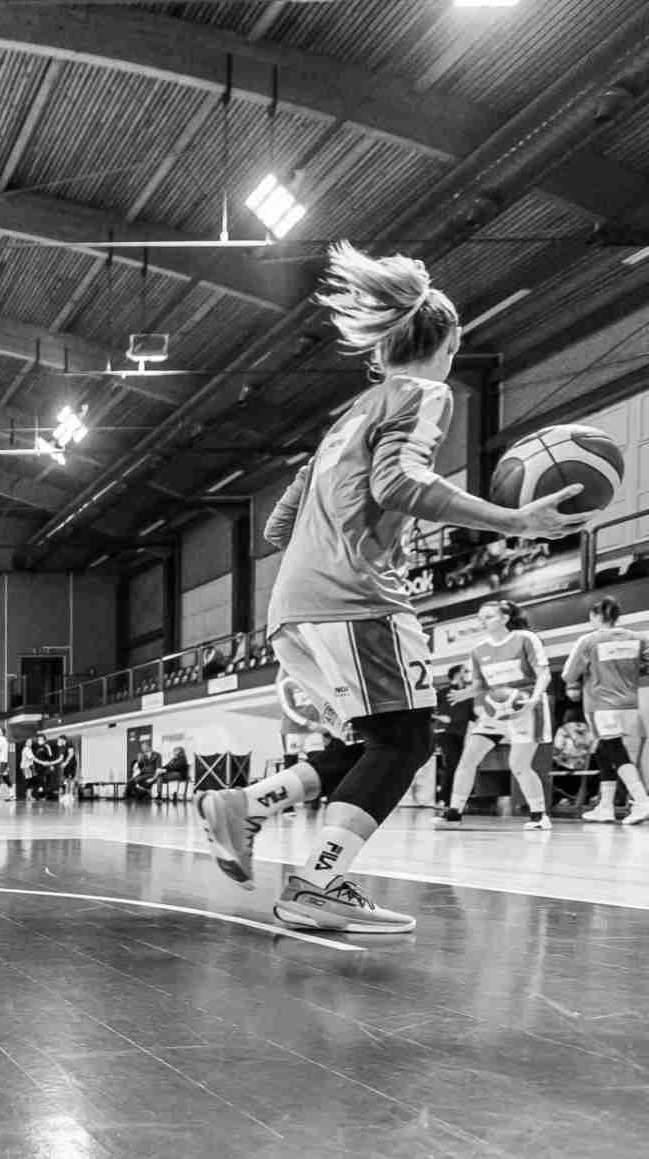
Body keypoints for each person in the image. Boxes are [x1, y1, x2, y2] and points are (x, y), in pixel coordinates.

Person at [197, 241, 583, 934]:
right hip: (354, 601)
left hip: (292, 611)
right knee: (403, 743)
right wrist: (513, 520)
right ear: (450, 341)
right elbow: (398, 482)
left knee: (370, 741)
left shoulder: (348, 418)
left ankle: (246, 806)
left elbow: (279, 527)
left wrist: (359, 531)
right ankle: (318, 883)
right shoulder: (427, 394)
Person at [438, 600, 554, 832]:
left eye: (489, 617)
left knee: (518, 765)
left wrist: (534, 698)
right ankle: (453, 813)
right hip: (495, 711)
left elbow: (544, 674)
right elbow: (480, 685)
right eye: (480, 618)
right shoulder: (478, 649)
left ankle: (539, 816)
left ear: (505, 618)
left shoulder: (525, 638)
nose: (483, 622)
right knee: (468, 759)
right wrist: (466, 693)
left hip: (525, 707)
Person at [564, 596, 649, 825]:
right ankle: (605, 806)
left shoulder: (589, 640)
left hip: (601, 706)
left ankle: (642, 801)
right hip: (629, 705)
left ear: (595, 616)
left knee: (615, 750)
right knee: (603, 750)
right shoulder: (639, 638)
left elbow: (568, 675)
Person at [433, 664, 476, 807]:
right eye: (465, 671)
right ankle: (445, 799)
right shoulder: (443, 692)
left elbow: (472, 715)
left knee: (459, 766)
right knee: (453, 764)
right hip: (445, 733)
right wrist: (440, 717)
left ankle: (453, 799)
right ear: (457, 674)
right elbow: (429, 711)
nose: (468, 674)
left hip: (460, 734)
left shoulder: (467, 695)